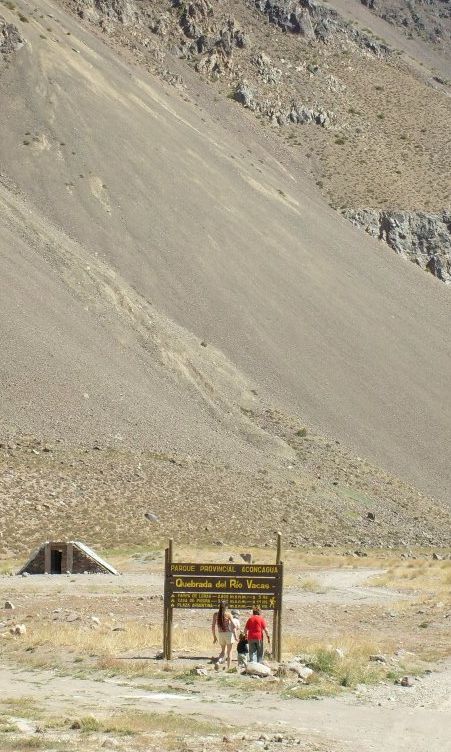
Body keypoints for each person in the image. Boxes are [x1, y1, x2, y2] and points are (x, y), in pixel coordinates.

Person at [212, 600, 238, 668]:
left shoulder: (215, 614)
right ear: (226, 606)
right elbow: (234, 625)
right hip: (228, 634)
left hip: (220, 634)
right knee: (229, 653)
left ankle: (218, 662)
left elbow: (213, 626)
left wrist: (214, 637)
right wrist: (235, 632)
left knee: (223, 651)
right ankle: (228, 668)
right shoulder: (228, 614)